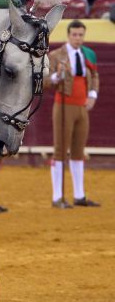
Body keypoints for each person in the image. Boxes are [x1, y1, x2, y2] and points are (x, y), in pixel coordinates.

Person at [47, 20, 100, 209]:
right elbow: (46, 81)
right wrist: (58, 76)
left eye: (81, 35)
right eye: (75, 35)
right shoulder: (56, 55)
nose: (78, 38)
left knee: (78, 151)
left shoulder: (88, 54)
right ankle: (57, 196)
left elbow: (94, 76)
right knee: (60, 150)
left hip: (82, 106)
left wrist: (92, 95)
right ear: (68, 35)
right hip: (63, 106)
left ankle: (79, 195)